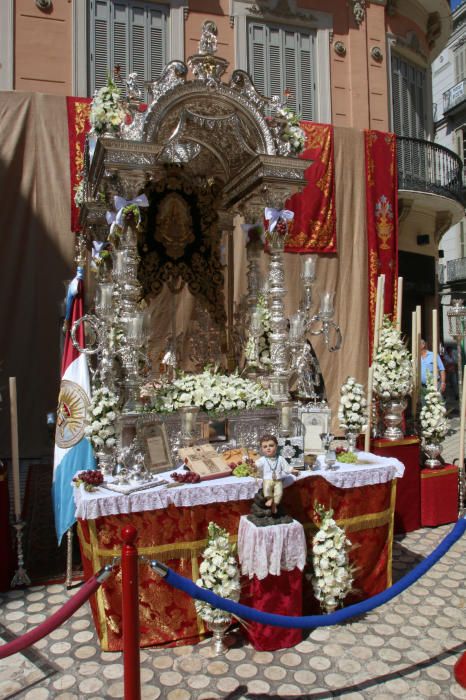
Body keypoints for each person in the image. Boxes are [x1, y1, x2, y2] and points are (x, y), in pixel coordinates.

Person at [255, 434, 299, 515]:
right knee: (267, 489)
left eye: (271, 445)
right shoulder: (263, 460)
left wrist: (292, 470)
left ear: (276, 446)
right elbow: (257, 465)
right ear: (261, 449)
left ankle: (274, 505)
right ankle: (270, 499)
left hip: (278, 480)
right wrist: (252, 465)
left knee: (279, 492)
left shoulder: (280, 458)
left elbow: (287, 467)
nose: (268, 448)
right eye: (265, 447)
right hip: (267, 480)